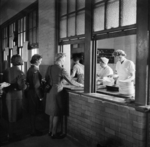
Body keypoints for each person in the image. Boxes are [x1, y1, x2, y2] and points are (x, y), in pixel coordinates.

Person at [45, 53, 83, 139]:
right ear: (61, 59)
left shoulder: (50, 67)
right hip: (57, 91)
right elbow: (71, 81)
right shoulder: (62, 69)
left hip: (50, 91)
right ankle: (54, 133)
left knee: (51, 113)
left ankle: (50, 131)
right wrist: (80, 85)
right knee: (57, 113)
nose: (65, 61)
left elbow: (47, 78)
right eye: (64, 59)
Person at [2, 54, 26, 140]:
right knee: (14, 115)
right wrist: (26, 85)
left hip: (7, 95)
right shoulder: (21, 72)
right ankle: (11, 135)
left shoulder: (6, 70)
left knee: (9, 115)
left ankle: (9, 133)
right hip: (16, 96)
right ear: (19, 61)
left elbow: (3, 83)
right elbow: (22, 86)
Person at [26, 54, 44, 136]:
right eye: (40, 60)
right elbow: (37, 86)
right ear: (36, 61)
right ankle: (33, 131)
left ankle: (32, 129)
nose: (41, 62)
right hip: (34, 94)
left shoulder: (31, 69)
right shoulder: (35, 70)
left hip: (31, 92)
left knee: (32, 112)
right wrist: (40, 96)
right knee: (33, 112)